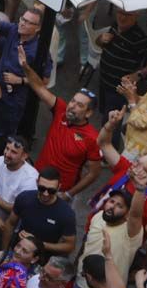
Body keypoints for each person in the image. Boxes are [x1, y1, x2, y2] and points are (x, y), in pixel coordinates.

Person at [19, 44, 103, 197]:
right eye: (73, 101)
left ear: (89, 113)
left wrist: (69, 194)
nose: (72, 106)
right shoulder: (61, 110)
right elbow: (39, 87)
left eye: (80, 105)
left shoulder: (92, 138)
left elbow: (94, 173)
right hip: (35, 178)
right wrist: (25, 67)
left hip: (59, 191)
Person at [0, 166, 76, 257]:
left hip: (43, 259)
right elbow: (10, 224)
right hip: (17, 253)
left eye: (51, 190)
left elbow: (69, 246)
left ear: (59, 187)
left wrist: (40, 244)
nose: (46, 193)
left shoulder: (66, 213)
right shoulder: (24, 198)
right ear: (36, 183)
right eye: (42, 188)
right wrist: (4, 253)